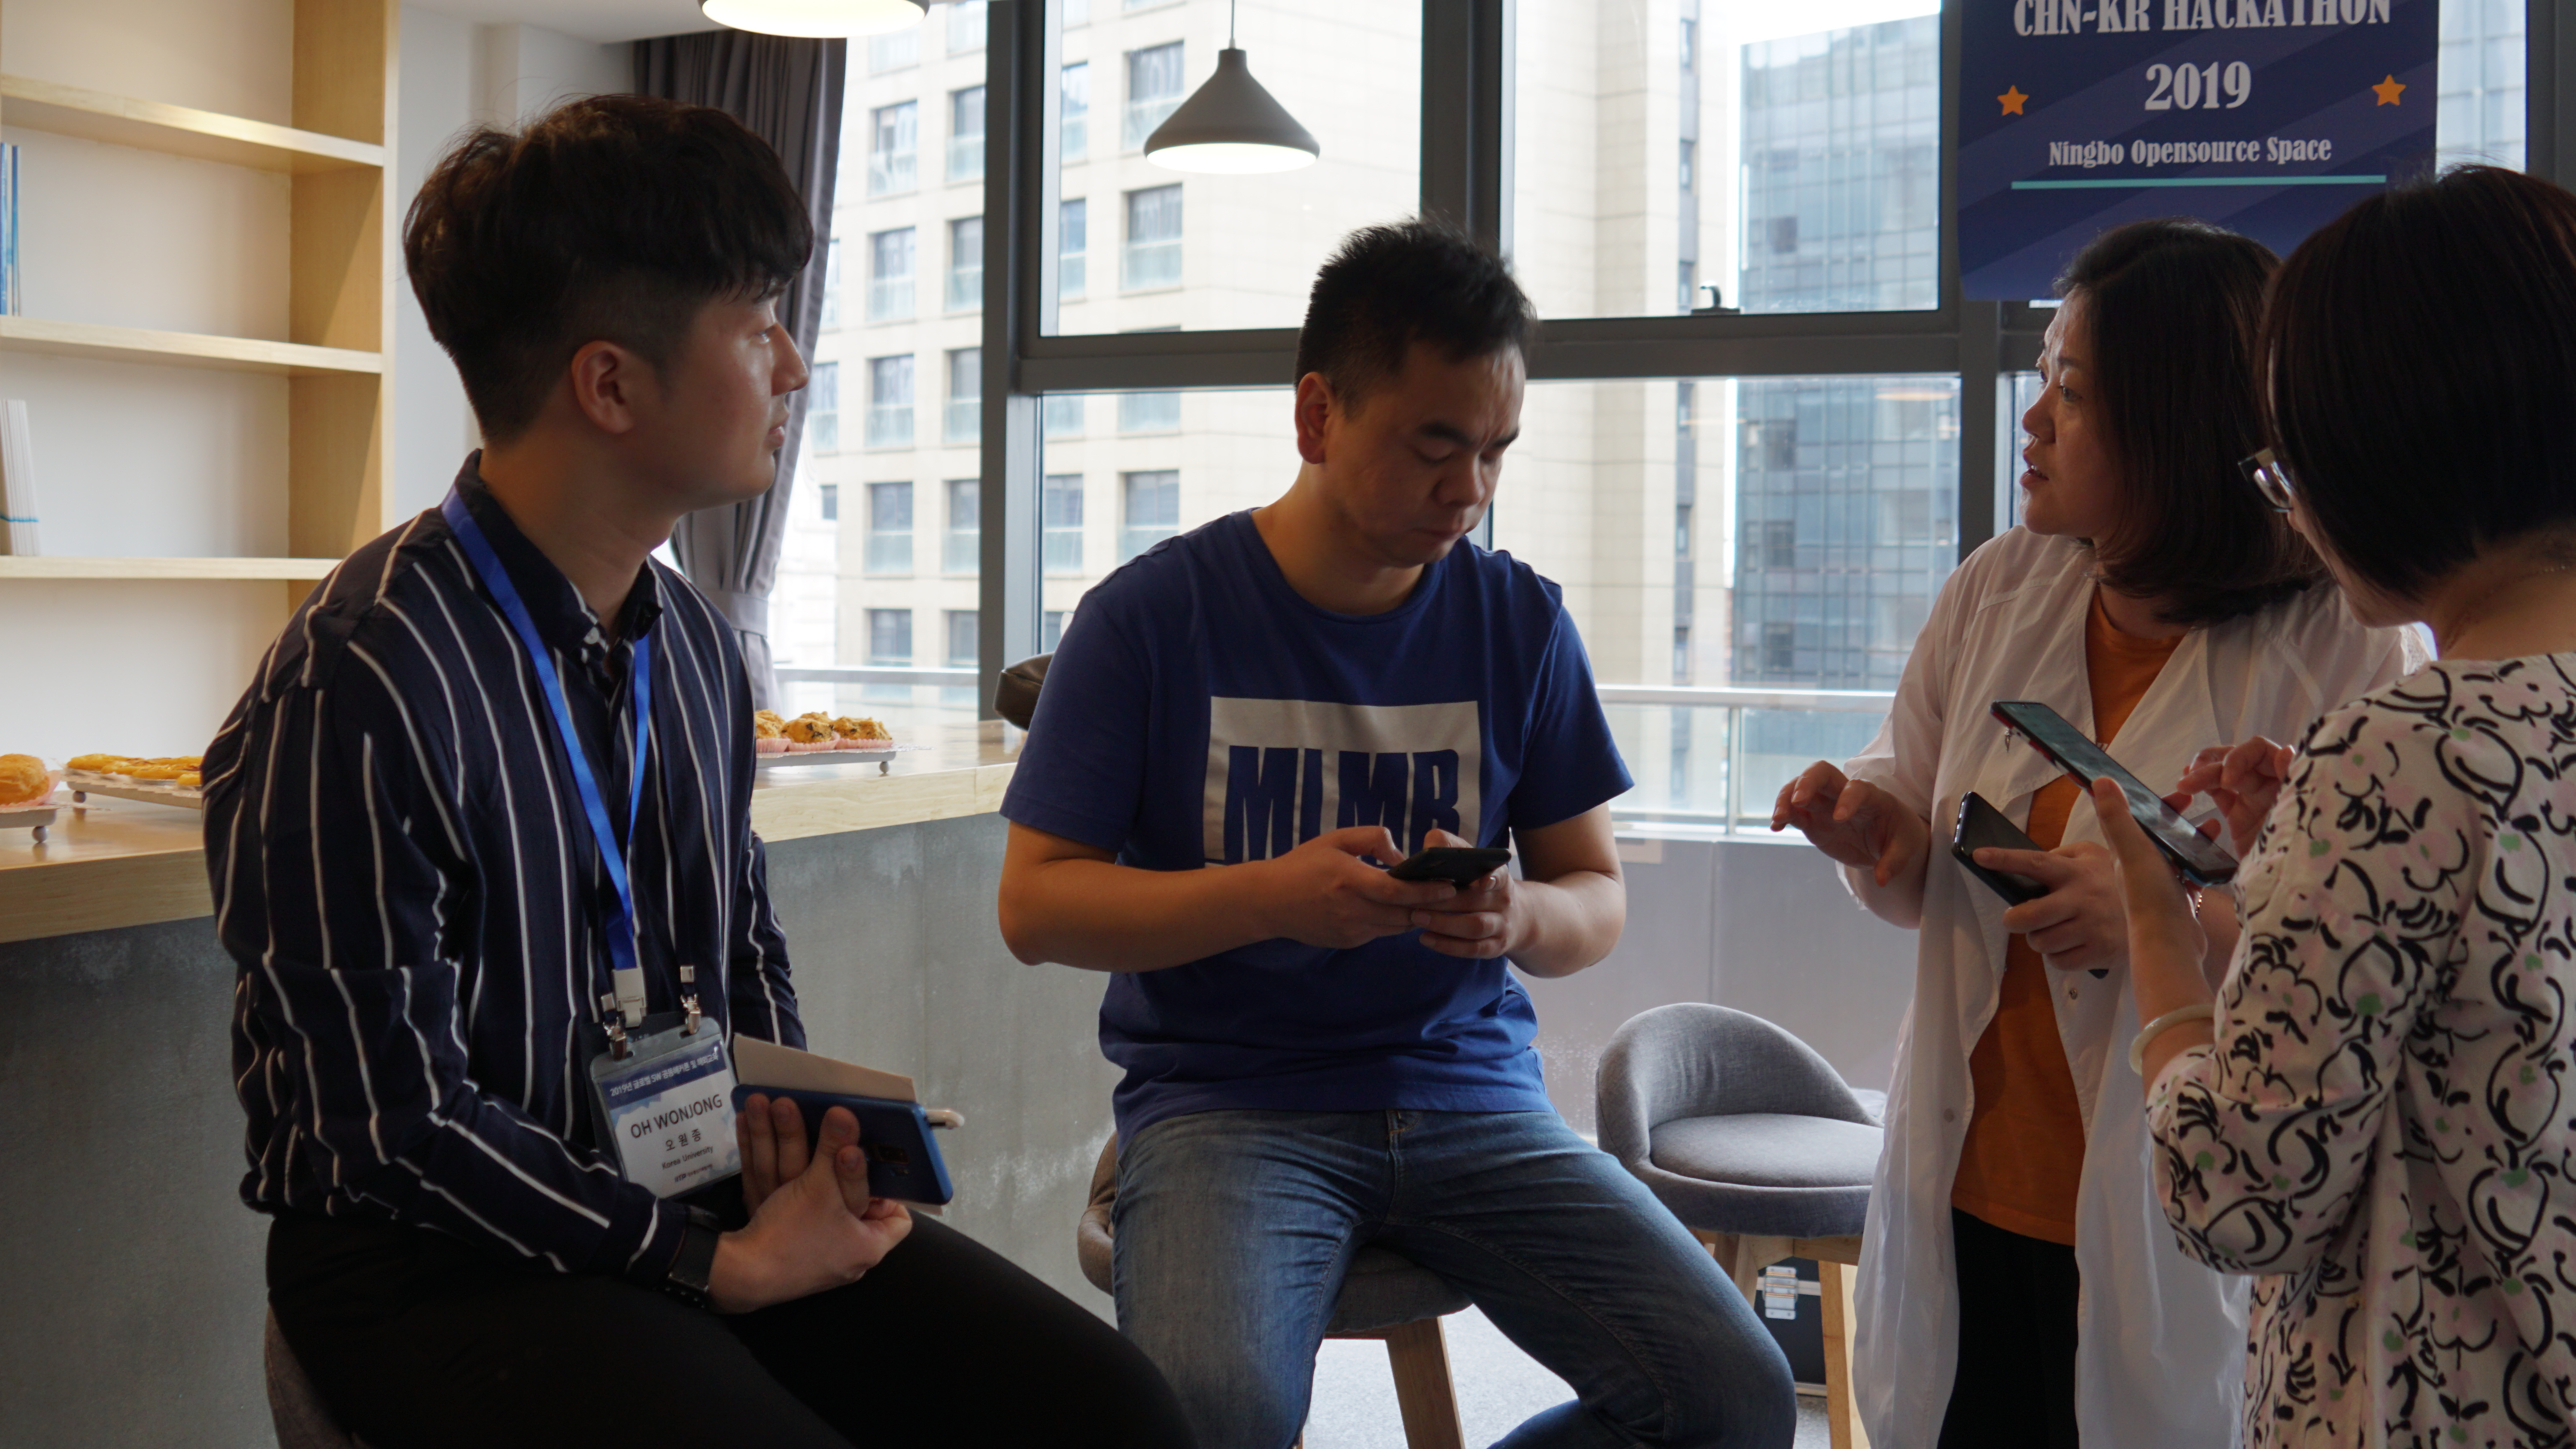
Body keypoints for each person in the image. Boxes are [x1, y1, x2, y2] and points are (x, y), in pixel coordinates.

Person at [209, 96, 1191, 1449]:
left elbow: (738, 951)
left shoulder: (693, 645)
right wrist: (710, 1265)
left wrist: (804, 1139)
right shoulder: (364, 677)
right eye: (756, 322)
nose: (794, 365)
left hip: (693, 1191)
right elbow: (385, 1132)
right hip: (443, 1262)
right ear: (610, 386)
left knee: (1116, 1414)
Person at [996, 221, 1796, 1449]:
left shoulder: (1520, 624)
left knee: (1735, 1400)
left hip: (1471, 1096)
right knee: (1211, 1422)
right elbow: (1036, 905)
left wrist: (1520, 916)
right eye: (1435, 446)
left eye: (1495, 451)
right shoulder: (1150, 619)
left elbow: (1593, 893)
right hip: (1228, 1105)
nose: (1470, 489)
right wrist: (1270, 898)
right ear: (1318, 415)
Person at [1770, 218, 2419, 1449]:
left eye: (2070, 393)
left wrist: (2170, 917)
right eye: (2042, 381)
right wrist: (1877, 831)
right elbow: (1914, 810)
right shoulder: (2000, 585)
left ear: (2176, 426)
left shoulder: (2342, 642)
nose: (2033, 421)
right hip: (1967, 1186)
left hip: (2178, 1202)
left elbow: (2360, 944)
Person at [2103, 164, 2576, 1448]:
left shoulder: (2396, 755)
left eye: (2287, 465)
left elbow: (2240, 1198)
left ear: (2379, 454)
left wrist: (2157, 927)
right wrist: (2291, 877)